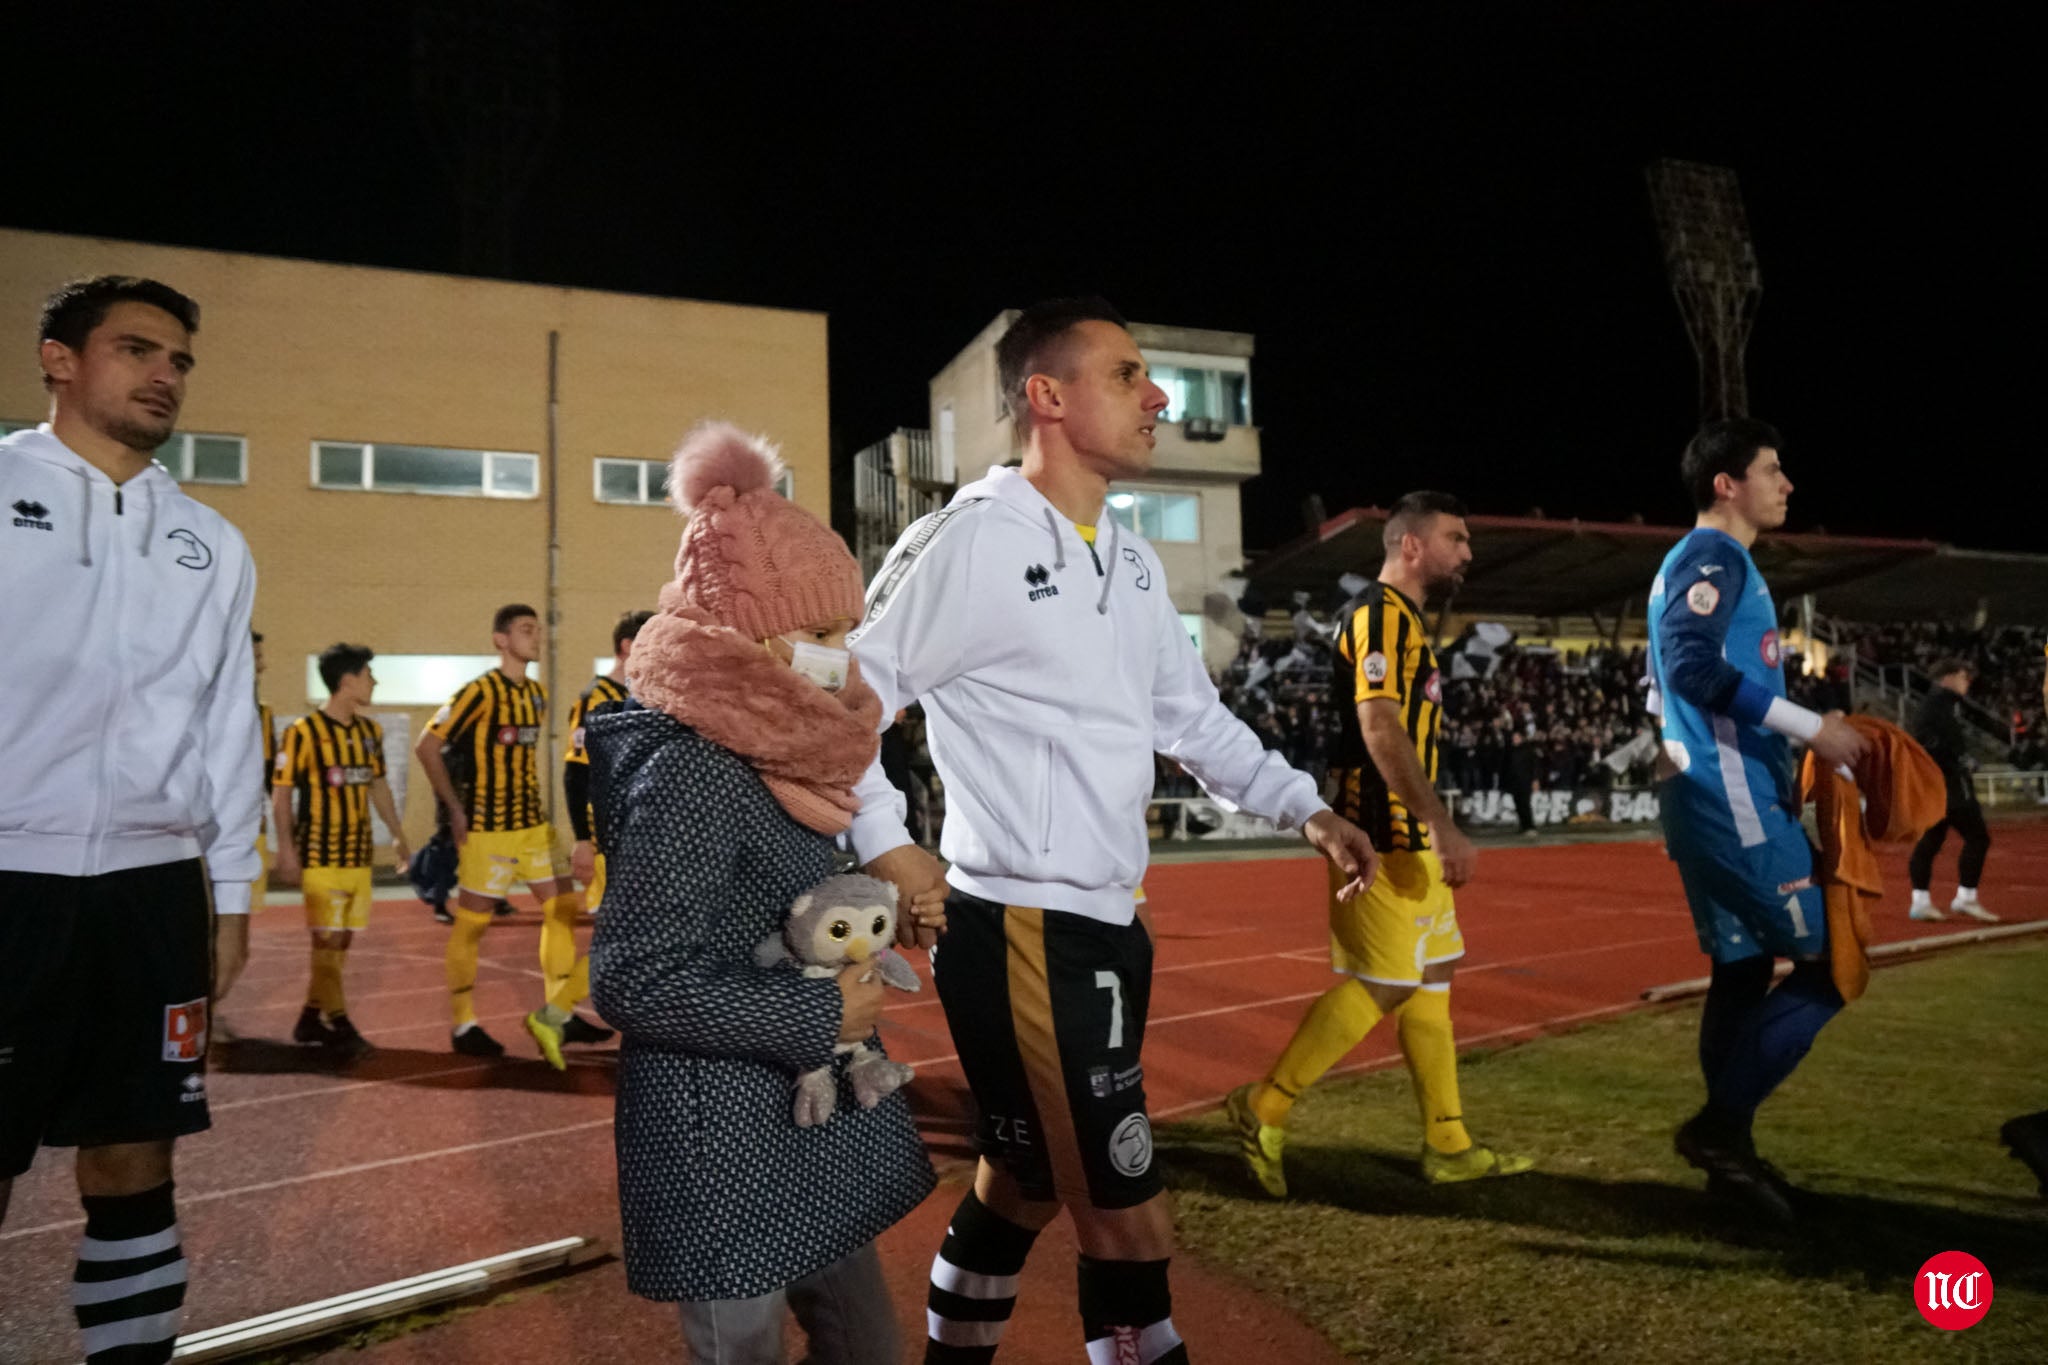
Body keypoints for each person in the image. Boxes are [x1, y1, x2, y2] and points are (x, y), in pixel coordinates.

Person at [846, 298, 1380, 1364]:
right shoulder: (969, 539)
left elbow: (1185, 718)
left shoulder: (1127, 559)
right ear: (1046, 397)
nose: (1159, 397)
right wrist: (885, 840)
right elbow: (843, 699)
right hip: (1023, 930)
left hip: (1106, 924)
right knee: (1130, 1217)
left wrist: (1302, 805)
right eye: (1129, 374)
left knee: (1025, 1183)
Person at [586, 421, 938, 1362]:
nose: (840, 655)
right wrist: (817, 1011)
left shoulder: (781, 753)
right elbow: (633, 977)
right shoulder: (694, 770)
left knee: (865, 1342)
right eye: (819, 632)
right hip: (718, 1135)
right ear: (741, 636)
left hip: (794, 1115)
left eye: (845, 630)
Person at [1, 275, 261, 1365]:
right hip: (10, 877)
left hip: (152, 887)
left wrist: (234, 889)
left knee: (135, 1155)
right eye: (138, 349)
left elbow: (224, 725)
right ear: (60, 360)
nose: (166, 375)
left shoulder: (209, 541)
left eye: (181, 359)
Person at [1230, 492, 1533, 1197]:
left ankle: (1448, 1141)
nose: (1468, 551)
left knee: (1431, 977)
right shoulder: (1378, 616)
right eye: (1456, 538)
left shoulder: (1405, 622)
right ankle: (1263, 1105)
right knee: (1391, 979)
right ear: (1412, 546)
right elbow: (1380, 728)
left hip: (1407, 832)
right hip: (1381, 832)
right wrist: (1437, 822)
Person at [1647, 418, 1869, 1224]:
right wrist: (1815, 730)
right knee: (1830, 961)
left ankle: (1727, 1166)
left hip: (1711, 791)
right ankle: (1720, 1133)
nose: (1788, 483)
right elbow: (1692, 665)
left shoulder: (1702, 562)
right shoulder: (1715, 557)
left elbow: (1680, 681)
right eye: (1774, 469)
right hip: (1729, 799)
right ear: (1726, 484)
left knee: (1740, 971)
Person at [415, 604, 590, 1059]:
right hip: (488, 832)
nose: (537, 638)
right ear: (501, 640)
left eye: (538, 630)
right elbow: (427, 745)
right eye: (526, 630)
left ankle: (558, 1013)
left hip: (532, 827)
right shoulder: (478, 692)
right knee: (473, 926)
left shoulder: (536, 693)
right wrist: (454, 809)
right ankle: (463, 1023)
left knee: (563, 908)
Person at [270, 644, 410, 1060]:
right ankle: (340, 1020)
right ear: (346, 681)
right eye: (369, 675)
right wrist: (287, 852)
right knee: (327, 939)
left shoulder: (370, 733)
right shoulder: (302, 733)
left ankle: (311, 1016)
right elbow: (281, 797)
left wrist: (398, 834)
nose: (374, 683)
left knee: (341, 941)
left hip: (357, 855)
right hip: (319, 856)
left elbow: (378, 786)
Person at [1905, 660, 1997, 922]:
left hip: (1938, 785)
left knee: (1931, 841)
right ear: (1948, 676)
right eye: (1963, 676)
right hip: (1950, 785)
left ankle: (1921, 902)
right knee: (1977, 837)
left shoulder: (1941, 705)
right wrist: (1959, 761)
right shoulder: (1937, 707)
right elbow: (1929, 743)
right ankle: (1965, 897)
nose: (1967, 681)